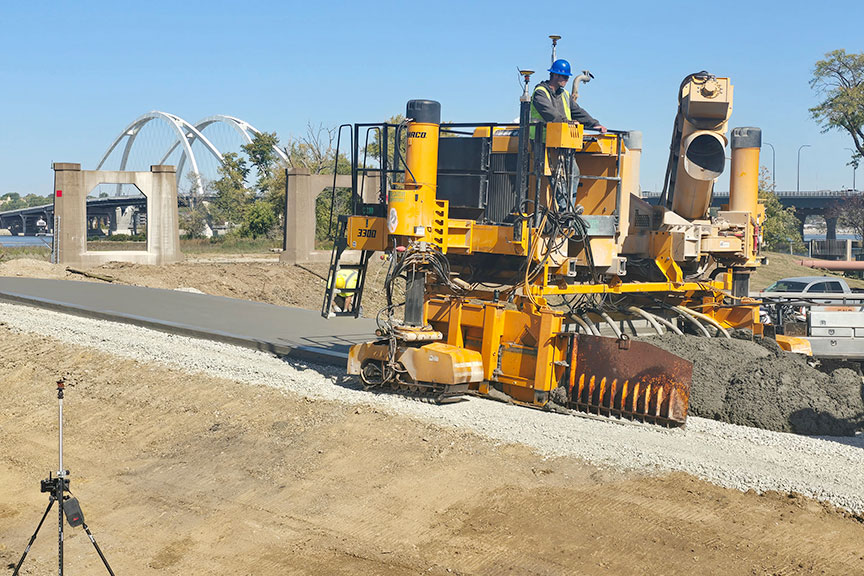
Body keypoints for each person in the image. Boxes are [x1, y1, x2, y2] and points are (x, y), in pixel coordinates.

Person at [531, 59, 607, 133]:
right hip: (541, 141)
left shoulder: (565, 94)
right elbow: (552, 115)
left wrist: (594, 124)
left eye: (567, 77)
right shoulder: (540, 93)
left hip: (562, 138)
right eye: (565, 77)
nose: (567, 80)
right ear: (555, 75)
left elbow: (578, 112)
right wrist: (569, 123)